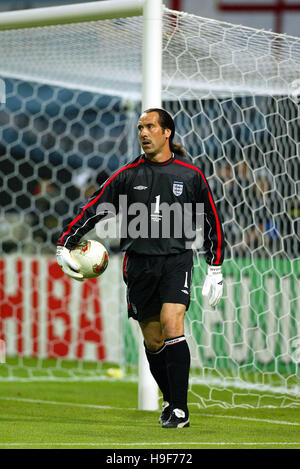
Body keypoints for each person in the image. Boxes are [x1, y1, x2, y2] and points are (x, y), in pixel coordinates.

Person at [56, 108, 225, 428]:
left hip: (177, 260)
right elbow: (93, 209)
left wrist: (215, 266)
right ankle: (169, 399)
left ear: (167, 133)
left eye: (150, 127)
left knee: (172, 321)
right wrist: (65, 242)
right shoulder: (127, 175)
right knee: (153, 340)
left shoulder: (190, 174)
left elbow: (211, 219)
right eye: (140, 128)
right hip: (138, 264)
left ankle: (180, 409)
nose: (143, 133)